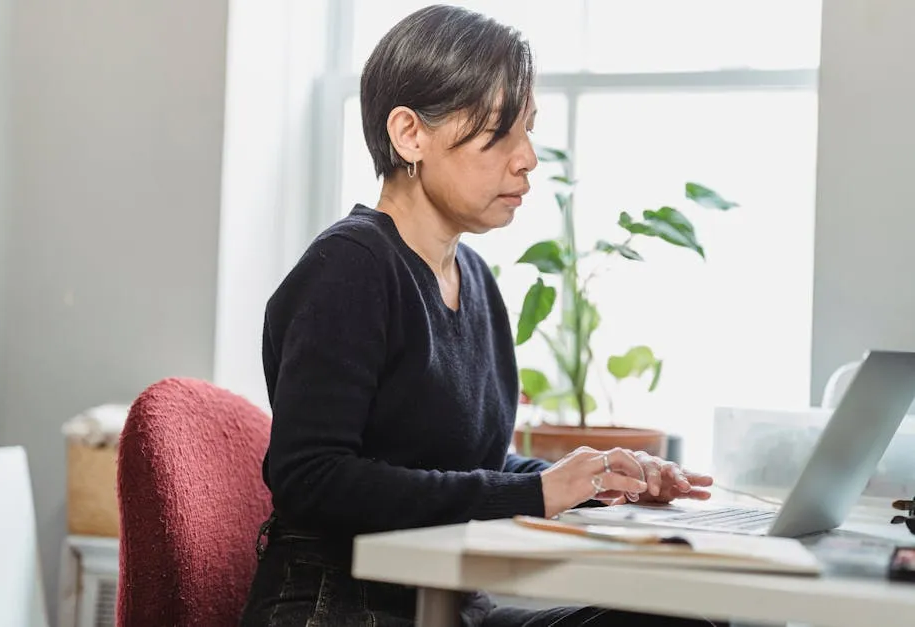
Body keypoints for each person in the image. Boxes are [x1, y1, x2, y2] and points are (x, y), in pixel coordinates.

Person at [240, 5, 719, 627]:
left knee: (688, 619)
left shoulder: (476, 280)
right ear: (410, 134)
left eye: (529, 131)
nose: (527, 159)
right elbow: (312, 478)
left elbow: (480, 471)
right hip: (342, 606)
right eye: (499, 132)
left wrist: (594, 478)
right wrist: (538, 491)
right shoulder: (351, 267)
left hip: (449, 605)